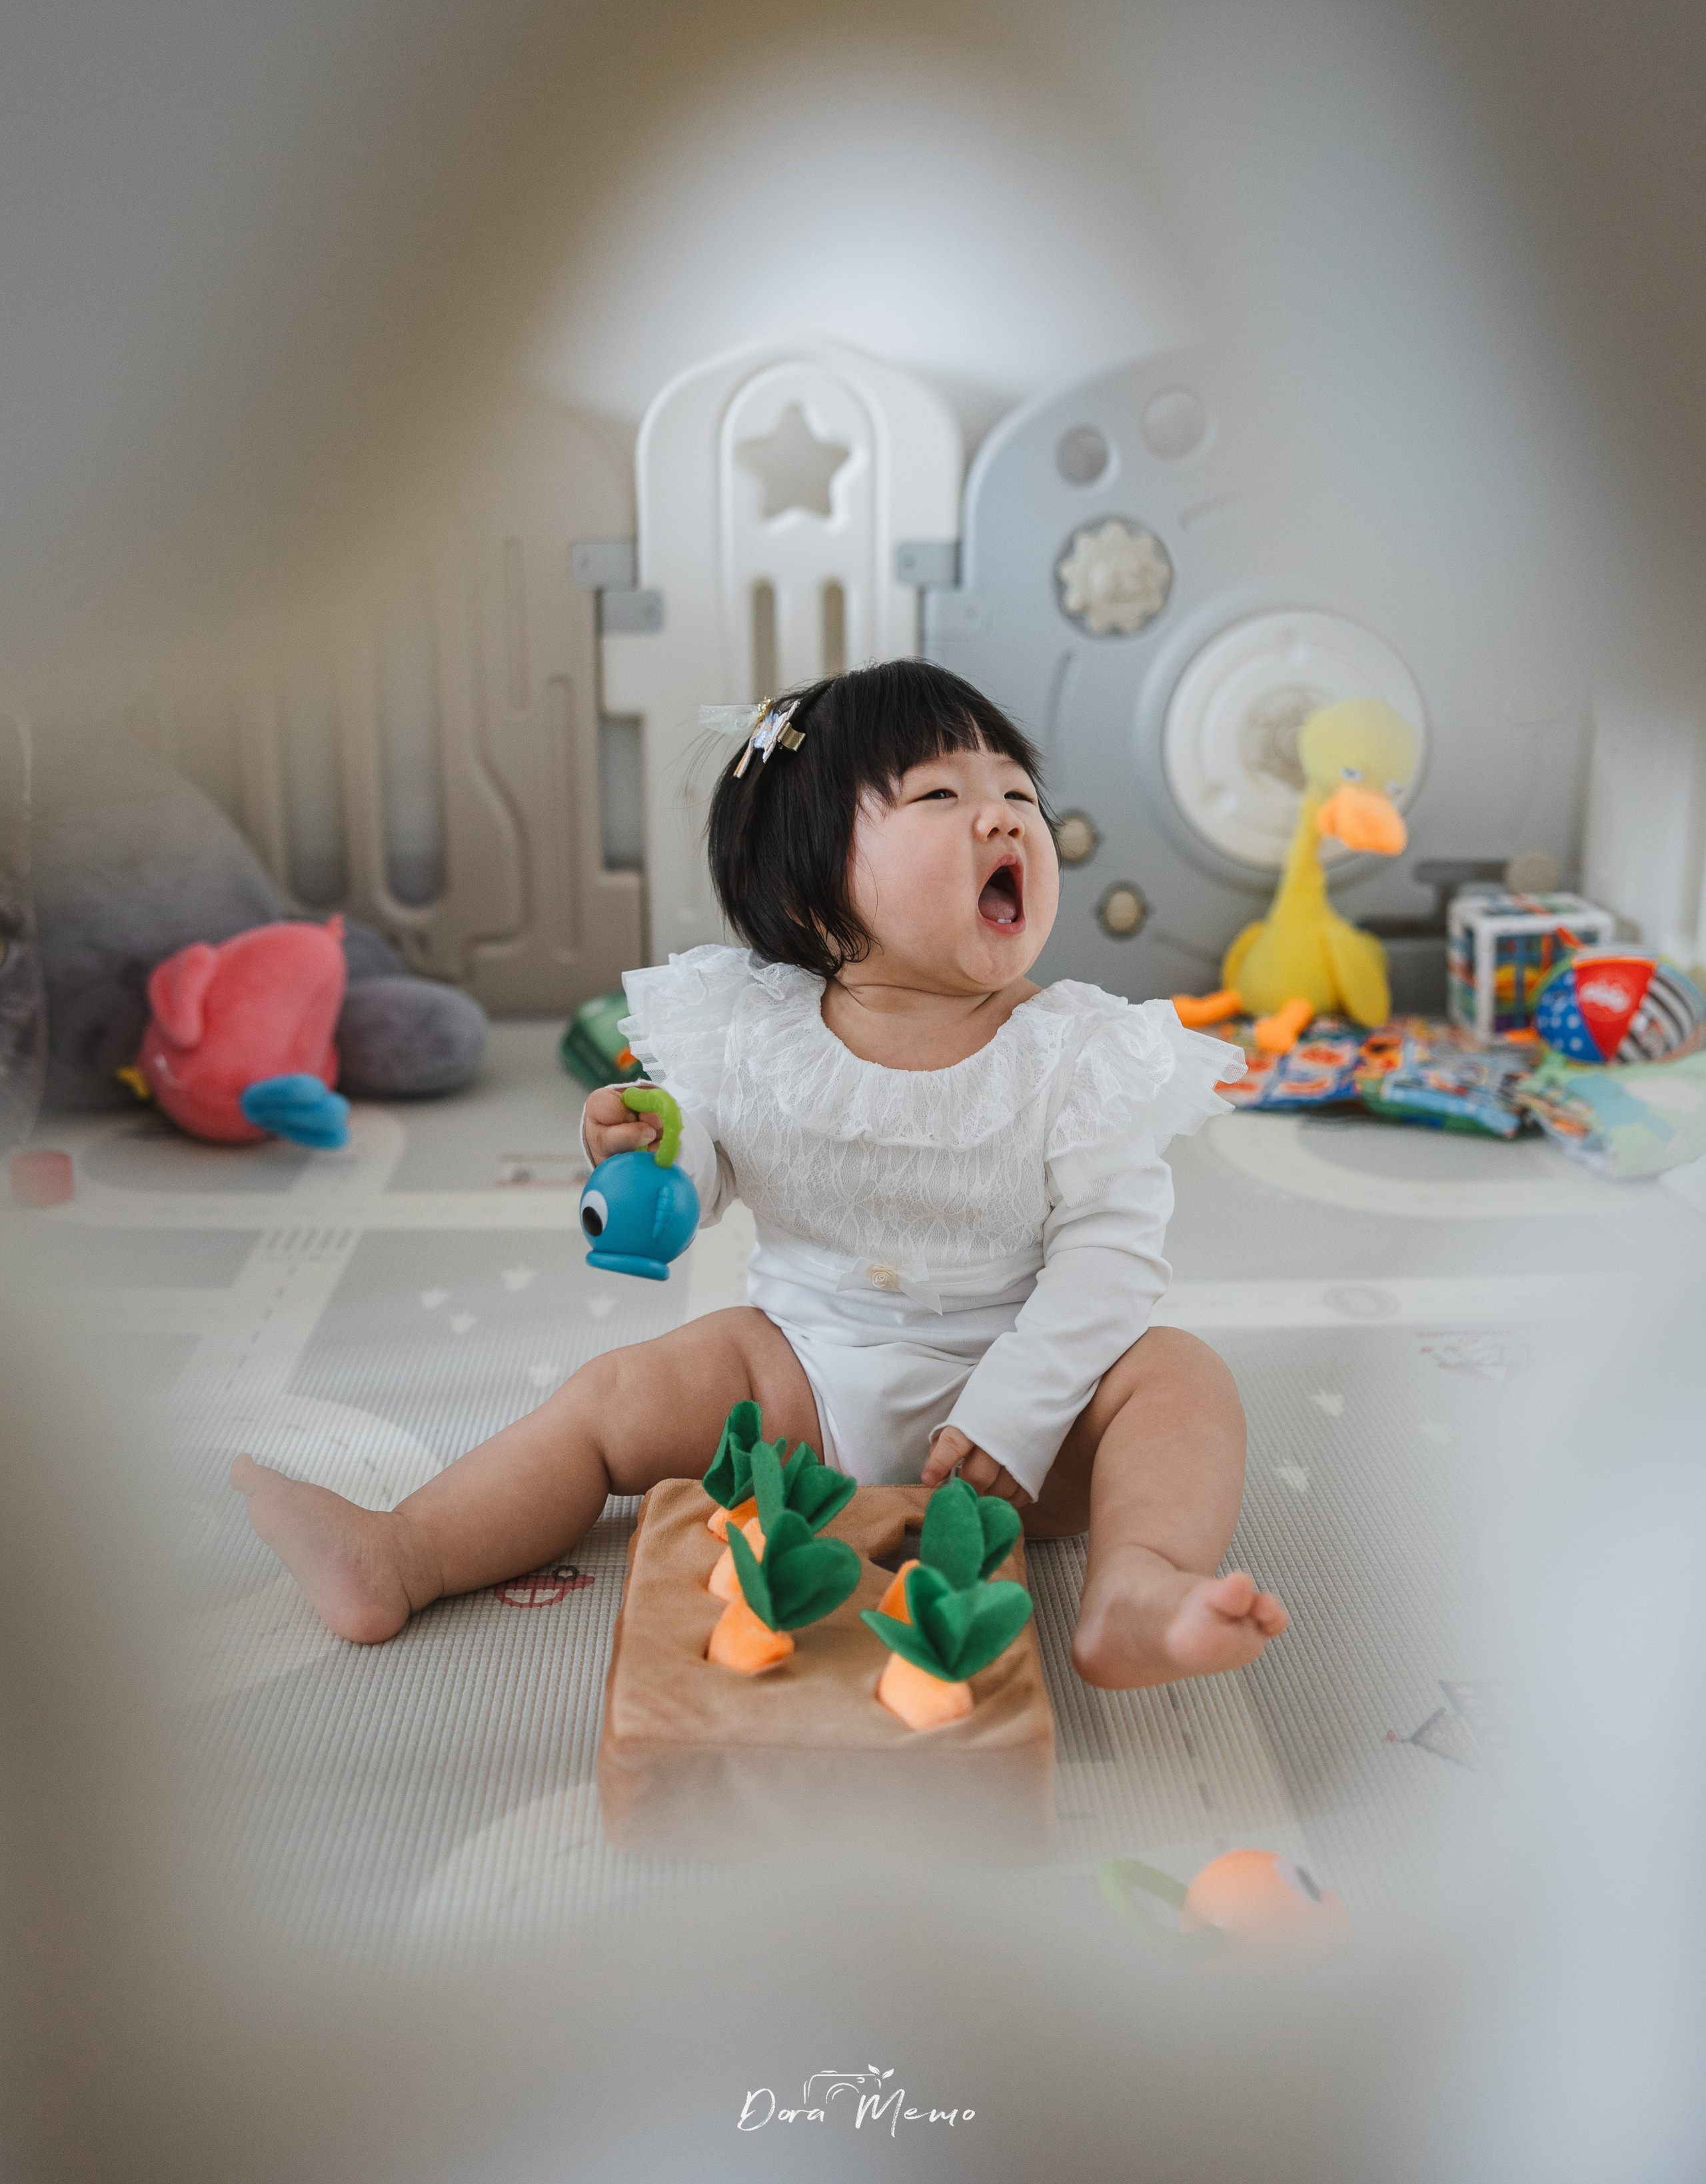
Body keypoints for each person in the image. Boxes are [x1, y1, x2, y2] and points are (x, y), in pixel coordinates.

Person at [233, 660, 1288, 1689]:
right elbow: (700, 1172)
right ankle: (404, 1552)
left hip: (1027, 1419)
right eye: (940, 794)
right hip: (798, 1387)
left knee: (1178, 1378)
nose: (1003, 819)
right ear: (813, 888)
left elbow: (1111, 1258)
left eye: (1018, 794)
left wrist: (1019, 1409)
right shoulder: (754, 1031)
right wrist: (652, 1149)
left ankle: (1138, 1588)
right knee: (612, 1396)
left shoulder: (1083, 1052)